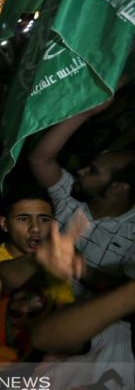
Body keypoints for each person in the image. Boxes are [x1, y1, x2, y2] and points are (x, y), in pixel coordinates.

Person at [27, 100, 135, 298]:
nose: (80, 171)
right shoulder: (70, 194)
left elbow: (129, 299)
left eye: (92, 171)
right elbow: (39, 159)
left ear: (117, 188)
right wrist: (85, 112)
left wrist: (78, 266)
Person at [0, 187, 80, 370]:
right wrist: (38, 259)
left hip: (24, 368)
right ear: (4, 224)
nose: (35, 228)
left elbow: (62, 319)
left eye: (44, 219)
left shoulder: (55, 266)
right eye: (23, 219)